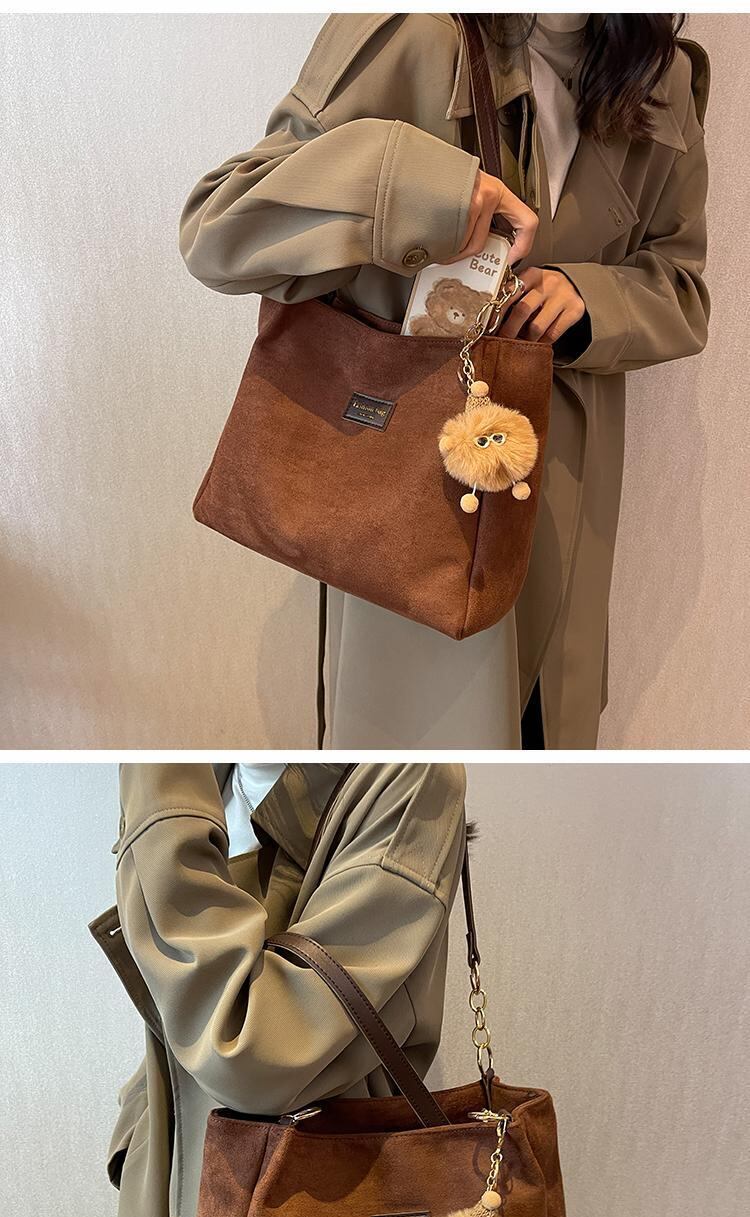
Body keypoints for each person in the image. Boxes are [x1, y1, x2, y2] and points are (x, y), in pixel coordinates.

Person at [180, 13, 709, 750]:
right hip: (414, 497)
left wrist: (592, 298)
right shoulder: (412, 34)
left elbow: (680, 283)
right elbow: (219, 230)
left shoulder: (659, 75)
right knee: (430, 732)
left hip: (567, 502)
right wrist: (422, 192)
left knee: (546, 738)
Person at [92, 759, 465, 1217]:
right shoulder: (214, 772)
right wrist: (137, 1136)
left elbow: (248, 1041)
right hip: (177, 1208)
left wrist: (158, 780)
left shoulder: (407, 777)